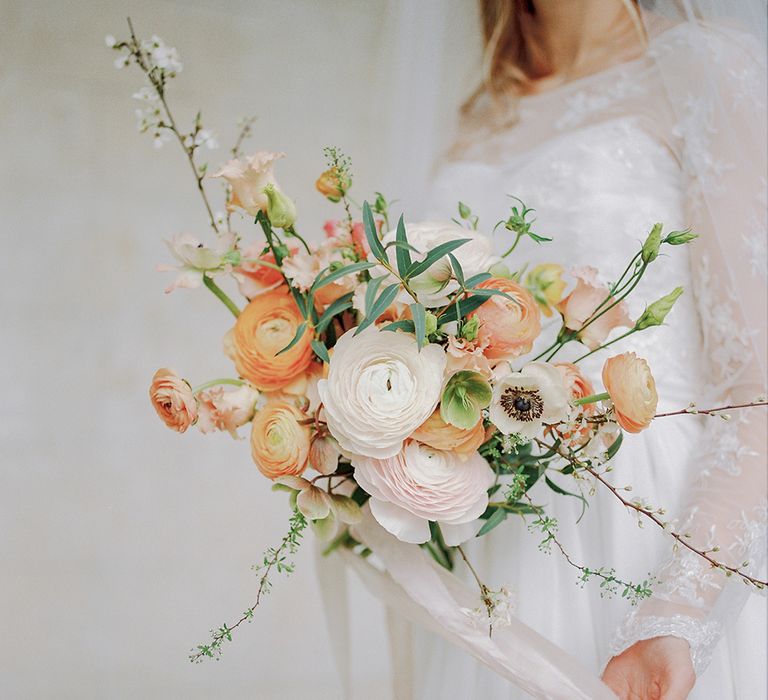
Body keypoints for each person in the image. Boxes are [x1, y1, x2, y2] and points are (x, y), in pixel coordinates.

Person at [402, 1, 767, 698]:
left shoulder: (703, 64)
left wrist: (679, 613)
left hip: (654, 531)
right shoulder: (484, 106)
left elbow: (758, 389)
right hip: (499, 554)